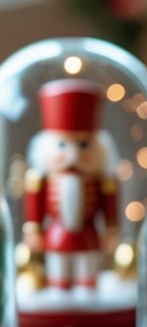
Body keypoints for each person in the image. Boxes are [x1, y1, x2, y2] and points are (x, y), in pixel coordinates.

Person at [23, 80, 119, 289]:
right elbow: (35, 209)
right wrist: (34, 230)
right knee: (58, 275)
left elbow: (109, 209)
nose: (73, 154)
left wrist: (111, 231)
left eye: (83, 144)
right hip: (57, 236)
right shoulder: (41, 180)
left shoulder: (103, 181)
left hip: (89, 236)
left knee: (88, 276)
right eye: (62, 144)